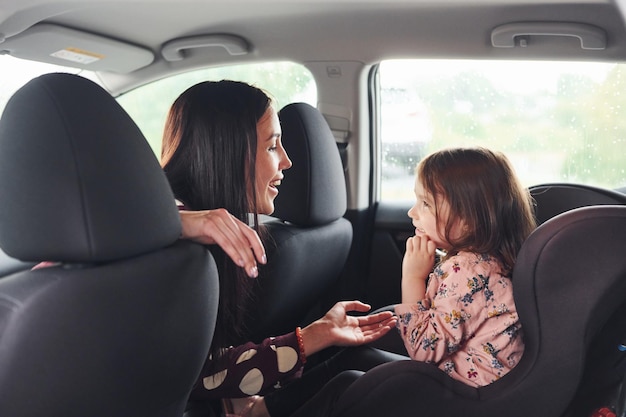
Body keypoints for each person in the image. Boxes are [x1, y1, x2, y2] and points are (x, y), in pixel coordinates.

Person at [161, 80, 397, 417]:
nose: (286, 161)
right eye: (273, 147)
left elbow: (203, 367)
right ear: (229, 151)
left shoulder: (224, 235)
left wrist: (317, 334)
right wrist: (178, 222)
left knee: (364, 366)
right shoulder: (164, 238)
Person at [393, 146, 536, 387]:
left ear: (469, 221)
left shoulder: (467, 271)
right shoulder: (487, 261)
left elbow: (422, 351)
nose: (412, 212)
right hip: (478, 385)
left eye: (426, 203)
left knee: (353, 378)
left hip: (465, 396)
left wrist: (412, 278)